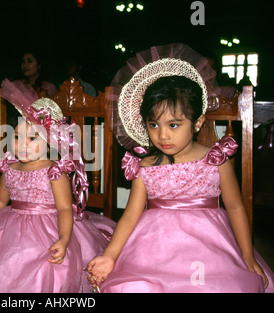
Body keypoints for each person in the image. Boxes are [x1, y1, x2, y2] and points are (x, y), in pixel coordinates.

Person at [86, 44, 274, 293]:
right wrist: (110, 255)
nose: (162, 135)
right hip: (153, 250)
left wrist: (247, 256)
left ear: (197, 122)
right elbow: (131, 215)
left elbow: (236, 206)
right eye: (153, 125)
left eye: (173, 125)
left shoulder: (216, 160)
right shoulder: (146, 166)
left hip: (209, 249)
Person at [0, 78, 115, 293]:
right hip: (11, 223)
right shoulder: (10, 167)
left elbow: (64, 208)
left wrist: (63, 239)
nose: (23, 144)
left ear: (50, 142)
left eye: (33, 138)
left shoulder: (54, 171)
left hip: (48, 228)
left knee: (41, 267)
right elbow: (0, 199)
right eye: (17, 136)